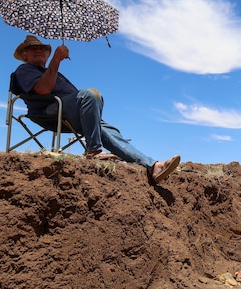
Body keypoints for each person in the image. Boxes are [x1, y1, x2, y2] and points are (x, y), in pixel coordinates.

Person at [12, 35, 182, 185]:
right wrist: (56, 60)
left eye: (42, 48)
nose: (39, 50)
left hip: (68, 110)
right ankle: (93, 150)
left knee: (110, 131)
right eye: (33, 48)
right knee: (91, 94)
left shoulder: (53, 72)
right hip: (48, 111)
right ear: (24, 55)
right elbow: (42, 90)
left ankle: (153, 166)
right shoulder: (24, 70)